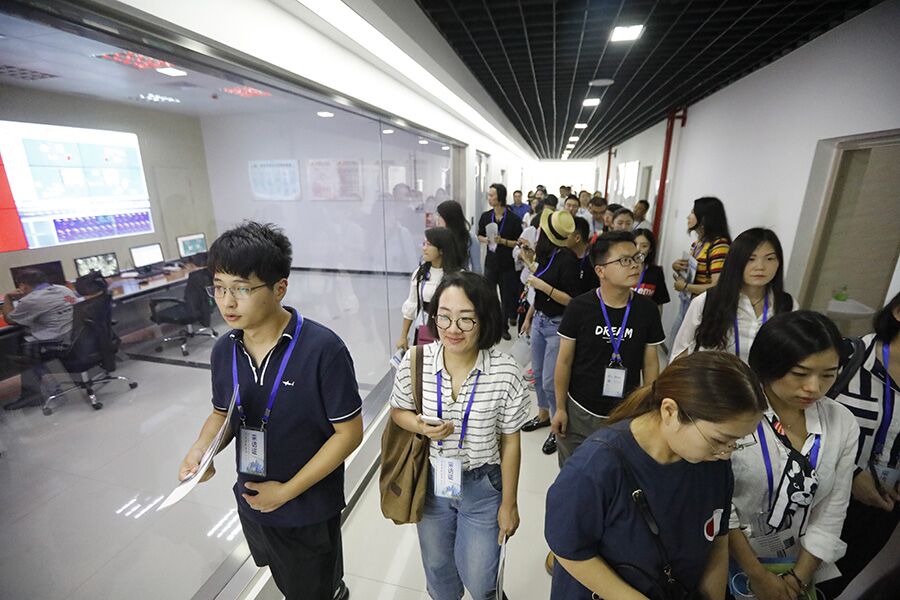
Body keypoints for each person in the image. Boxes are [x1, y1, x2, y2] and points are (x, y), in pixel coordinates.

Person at [177, 222, 362, 600]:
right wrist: (202, 449)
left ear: (280, 288)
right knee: (283, 577)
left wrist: (286, 492)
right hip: (252, 498)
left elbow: (349, 433)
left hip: (306, 508)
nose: (227, 302)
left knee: (312, 589)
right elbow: (222, 415)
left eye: (241, 289)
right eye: (219, 287)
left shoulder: (322, 349)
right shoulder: (224, 349)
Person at [546, 351, 767, 600]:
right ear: (670, 411)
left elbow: (717, 540)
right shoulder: (595, 468)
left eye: (736, 442)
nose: (726, 453)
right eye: (719, 439)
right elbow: (569, 550)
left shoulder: (712, 463)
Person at [388, 271, 529, 600]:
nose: (452, 329)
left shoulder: (505, 372)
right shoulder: (416, 361)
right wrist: (420, 426)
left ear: (485, 319)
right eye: (444, 317)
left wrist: (509, 503)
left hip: (483, 486)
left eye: (466, 319)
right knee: (439, 572)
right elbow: (398, 411)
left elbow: (511, 442)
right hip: (432, 482)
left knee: (481, 580)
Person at [729, 311, 859, 600]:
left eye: (828, 375)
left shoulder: (841, 421)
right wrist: (757, 576)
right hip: (727, 560)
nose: (814, 387)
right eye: (800, 374)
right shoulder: (733, 411)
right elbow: (719, 506)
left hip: (794, 565)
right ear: (768, 365)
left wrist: (798, 577)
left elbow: (832, 510)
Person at [552, 230, 665, 465]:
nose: (634, 265)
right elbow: (564, 361)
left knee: (615, 471)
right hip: (580, 408)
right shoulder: (580, 307)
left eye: (637, 258)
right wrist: (560, 408)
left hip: (626, 410)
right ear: (600, 271)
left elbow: (650, 363)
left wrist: (649, 406)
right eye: (624, 260)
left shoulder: (647, 310)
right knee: (575, 470)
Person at [819, 292, 900, 598]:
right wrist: (851, 475)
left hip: (881, 511)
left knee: (828, 589)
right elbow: (798, 421)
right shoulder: (848, 356)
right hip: (822, 495)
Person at [671, 228, 794, 363]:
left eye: (769, 258)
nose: (760, 266)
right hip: (712, 376)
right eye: (751, 259)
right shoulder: (707, 301)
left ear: (779, 262)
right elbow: (680, 354)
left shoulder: (788, 305)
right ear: (735, 262)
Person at [519, 210, 582, 455]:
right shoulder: (547, 255)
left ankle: (558, 425)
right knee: (537, 374)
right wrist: (529, 317)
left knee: (550, 380)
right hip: (540, 320)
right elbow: (539, 283)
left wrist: (542, 286)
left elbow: (571, 300)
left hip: (557, 325)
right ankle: (543, 415)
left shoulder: (567, 260)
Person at [2, 268, 76, 410]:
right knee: (26, 342)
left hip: (56, 343)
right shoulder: (64, 289)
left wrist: (8, 298)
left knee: (22, 351)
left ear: (23, 286)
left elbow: (10, 319)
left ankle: (41, 394)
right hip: (75, 337)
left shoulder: (31, 300)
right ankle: (41, 390)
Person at [670, 196, 731, 343]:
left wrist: (685, 287)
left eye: (692, 212)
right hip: (687, 302)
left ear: (704, 219)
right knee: (675, 345)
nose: (688, 217)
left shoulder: (719, 246)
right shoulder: (698, 243)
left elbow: (717, 287)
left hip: (703, 309)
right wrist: (678, 268)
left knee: (684, 348)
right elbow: (697, 275)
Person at [396, 227, 465, 352]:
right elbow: (411, 305)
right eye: (424, 244)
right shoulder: (420, 273)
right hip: (425, 330)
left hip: (450, 331)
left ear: (441, 250)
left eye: (429, 244)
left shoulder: (458, 276)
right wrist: (403, 336)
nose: (424, 248)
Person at [478, 183, 524, 340]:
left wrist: (502, 241)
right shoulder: (486, 216)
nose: (489, 198)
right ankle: (490, 325)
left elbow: (518, 242)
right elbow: (479, 234)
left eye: (492, 195)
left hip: (507, 265)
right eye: (489, 195)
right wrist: (486, 239)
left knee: (506, 298)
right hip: (490, 263)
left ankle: (503, 327)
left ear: (500, 197)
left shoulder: (513, 219)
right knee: (489, 296)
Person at [437, 199, 481, 274]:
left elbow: (476, 268)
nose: (438, 219)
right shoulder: (437, 237)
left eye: (441, 216)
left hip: (461, 278)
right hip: (440, 277)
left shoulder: (470, 238)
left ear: (449, 217)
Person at [632, 228, 670, 311]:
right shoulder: (620, 270)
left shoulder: (656, 272)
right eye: (634, 244)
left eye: (644, 246)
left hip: (646, 318)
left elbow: (659, 304)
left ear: (650, 249)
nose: (638, 249)